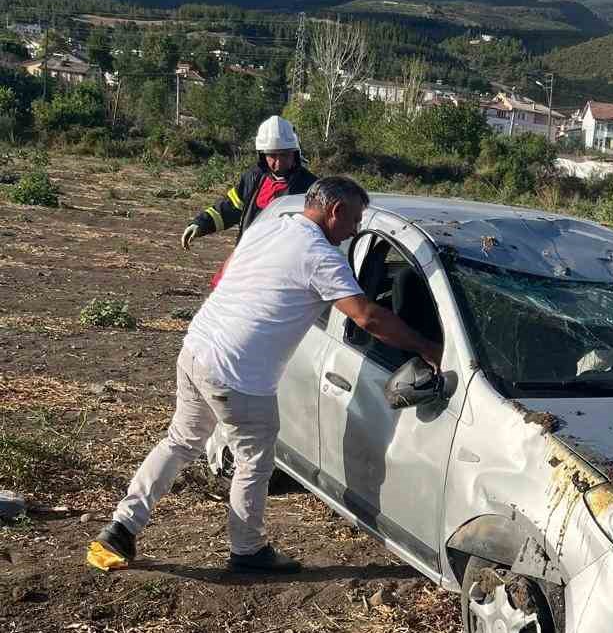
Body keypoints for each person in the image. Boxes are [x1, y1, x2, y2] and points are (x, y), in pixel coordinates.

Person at [89, 177, 441, 576]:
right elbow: (367, 316)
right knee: (255, 461)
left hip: (198, 348)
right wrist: (427, 348)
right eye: (355, 220)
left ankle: (122, 526)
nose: (355, 231)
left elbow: (229, 274)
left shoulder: (272, 225)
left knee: (180, 442)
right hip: (240, 374)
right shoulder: (320, 256)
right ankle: (247, 550)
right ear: (335, 211)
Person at [180, 115, 315, 252]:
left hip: (283, 266)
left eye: (284, 155)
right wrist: (202, 224)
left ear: (295, 154)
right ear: (263, 155)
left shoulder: (311, 188)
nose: (278, 163)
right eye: (272, 156)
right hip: (247, 260)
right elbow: (230, 207)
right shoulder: (253, 179)